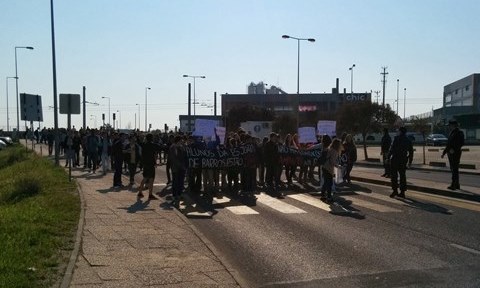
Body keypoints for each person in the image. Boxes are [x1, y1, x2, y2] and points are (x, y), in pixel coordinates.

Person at [387, 126, 413, 198]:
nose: (397, 132)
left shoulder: (396, 138)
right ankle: (402, 192)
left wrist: (388, 157)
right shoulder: (408, 140)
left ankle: (395, 190)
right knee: (402, 176)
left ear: (400, 131)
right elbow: (411, 152)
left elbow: (391, 149)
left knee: (394, 176)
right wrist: (410, 161)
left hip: (395, 159)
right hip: (403, 160)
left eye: (398, 131)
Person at [137, 133, 163, 200]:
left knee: (145, 178)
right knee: (151, 179)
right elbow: (161, 147)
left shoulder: (144, 145)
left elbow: (138, 142)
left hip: (145, 164)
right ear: (152, 138)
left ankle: (140, 192)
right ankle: (150, 194)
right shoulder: (153, 145)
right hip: (151, 164)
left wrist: (138, 136)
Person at [441, 120, 465, 190]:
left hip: (456, 153)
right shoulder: (452, 132)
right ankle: (456, 184)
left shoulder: (459, 132)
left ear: (453, 125)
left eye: (450, 125)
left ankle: (454, 184)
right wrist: (444, 153)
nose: (449, 127)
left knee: (454, 169)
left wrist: (454, 149)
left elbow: (461, 143)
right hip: (450, 153)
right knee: (453, 169)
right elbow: (448, 144)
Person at [320, 138, 342, 202]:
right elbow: (332, 162)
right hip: (328, 168)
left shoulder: (330, 149)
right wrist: (338, 166)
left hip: (324, 167)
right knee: (329, 183)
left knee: (326, 182)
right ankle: (329, 197)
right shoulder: (335, 151)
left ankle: (323, 195)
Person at [169, 135, 187, 207]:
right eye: (181, 140)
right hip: (176, 168)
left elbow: (184, 156)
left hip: (181, 168)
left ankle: (179, 194)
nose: (182, 141)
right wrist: (181, 165)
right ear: (178, 140)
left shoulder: (182, 147)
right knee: (175, 182)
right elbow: (173, 158)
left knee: (180, 181)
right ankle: (174, 195)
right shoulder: (173, 147)